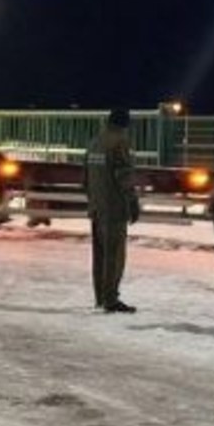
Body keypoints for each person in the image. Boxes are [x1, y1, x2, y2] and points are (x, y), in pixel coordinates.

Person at [86, 107, 140, 313]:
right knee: (114, 255)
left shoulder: (95, 142)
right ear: (124, 124)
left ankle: (100, 296)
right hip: (114, 207)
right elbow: (124, 176)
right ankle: (110, 299)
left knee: (99, 254)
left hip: (97, 206)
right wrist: (133, 203)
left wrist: (91, 202)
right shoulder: (119, 142)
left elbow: (86, 177)